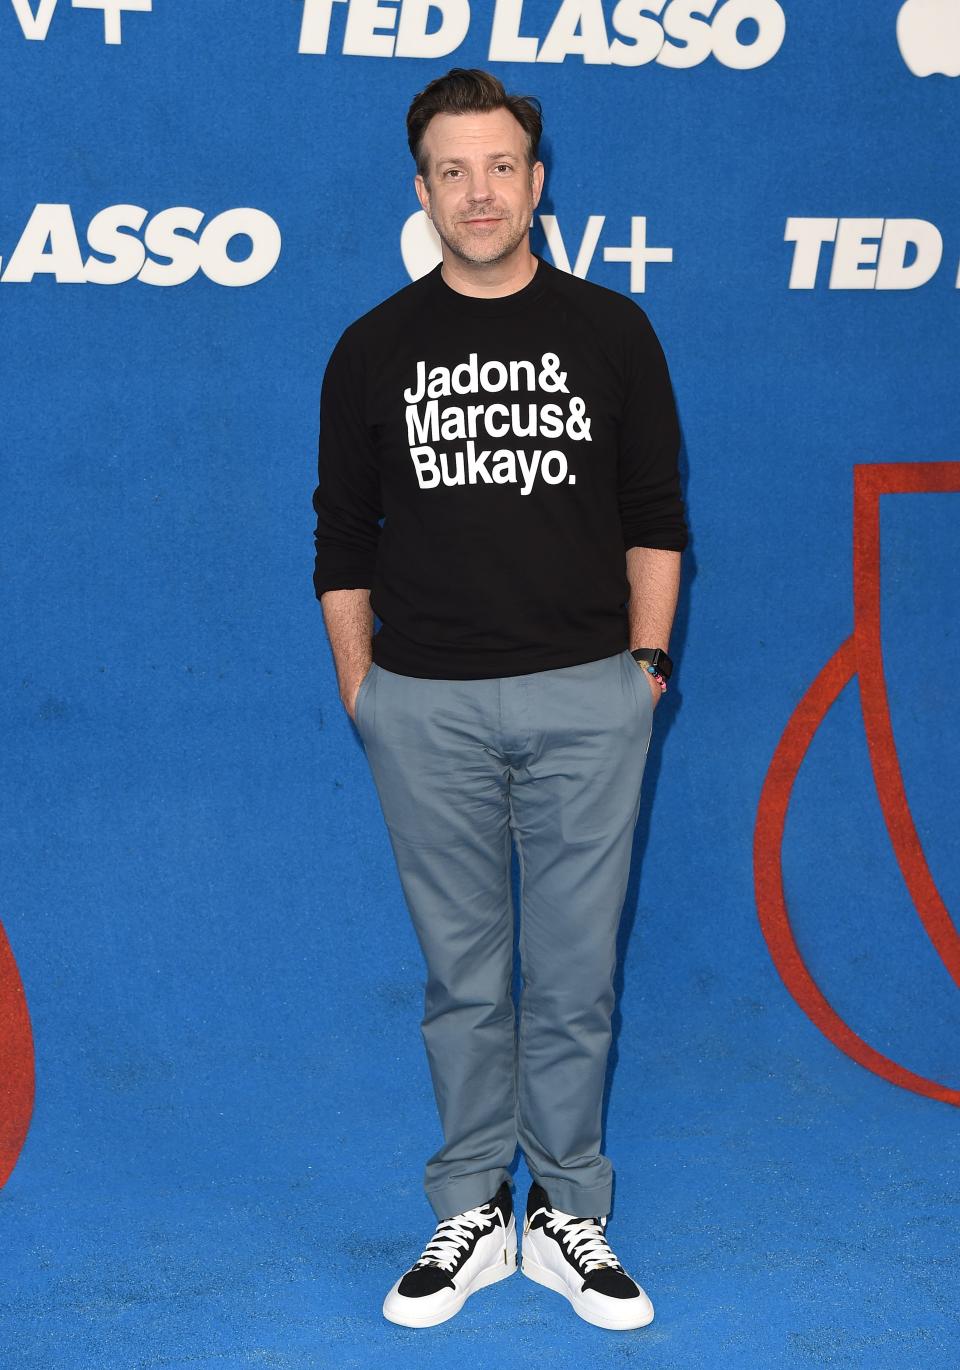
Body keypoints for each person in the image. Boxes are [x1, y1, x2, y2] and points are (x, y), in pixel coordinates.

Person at [312, 67, 687, 1333]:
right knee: (464, 980)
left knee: (574, 976)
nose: (479, 191)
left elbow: (654, 520)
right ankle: (474, 1203)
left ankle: (567, 1208)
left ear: (537, 181)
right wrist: (365, 691)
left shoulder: (615, 333)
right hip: (425, 708)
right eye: (452, 170)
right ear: (422, 191)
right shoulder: (370, 348)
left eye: (501, 166)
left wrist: (641, 673)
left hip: (591, 700)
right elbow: (340, 543)